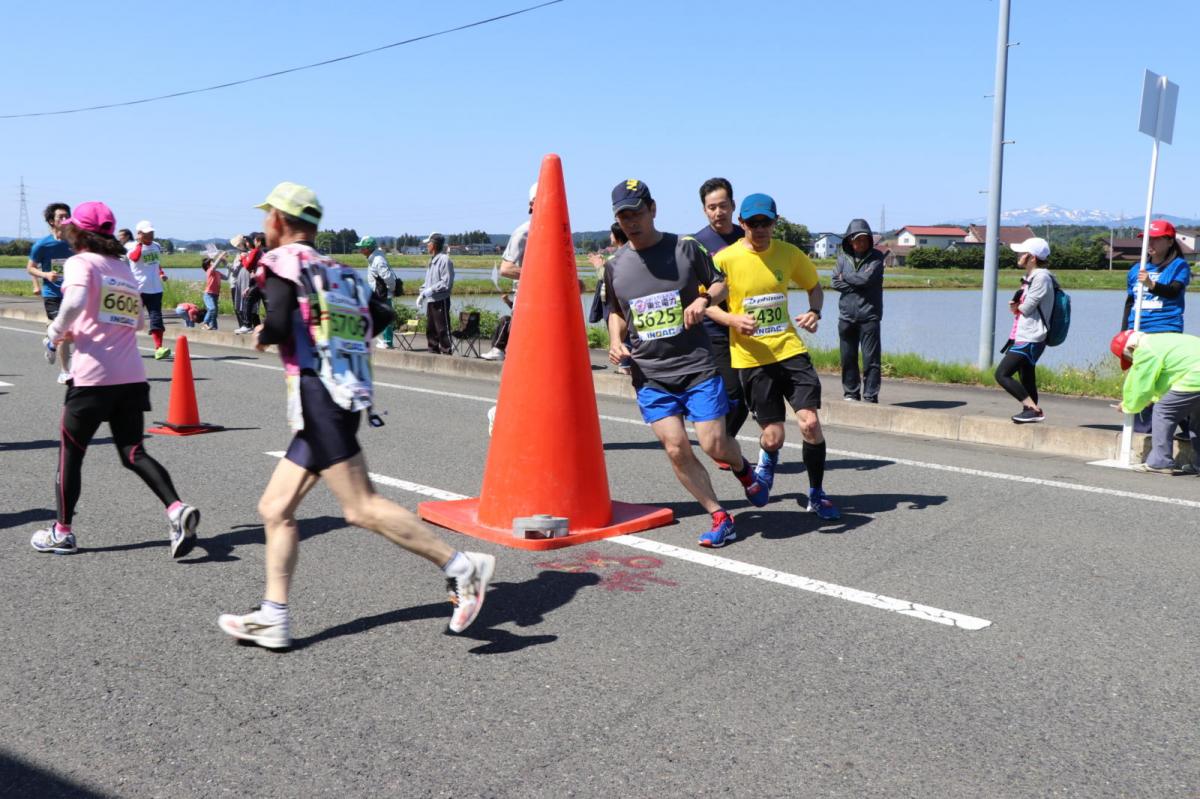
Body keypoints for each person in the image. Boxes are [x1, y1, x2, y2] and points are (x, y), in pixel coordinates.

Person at [217, 182, 494, 649]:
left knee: (361, 507)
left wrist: (265, 333)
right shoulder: (338, 270)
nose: (265, 224)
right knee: (275, 508)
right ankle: (273, 617)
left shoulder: (282, 263)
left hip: (318, 393)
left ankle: (463, 568)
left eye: (268, 216)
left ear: (281, 221)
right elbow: (382, 314)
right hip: (341, 393)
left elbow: (281, 323)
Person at [604, 179, 769, 548]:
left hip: (696, 366)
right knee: (676, 447)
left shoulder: (685, 248)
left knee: (714, 445)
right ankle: (719, 515)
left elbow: (720, 284)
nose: (631, 222)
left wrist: (703, 301)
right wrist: (616, 342)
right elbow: (616, 311)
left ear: (653, 209)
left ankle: (744, 470)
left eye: (637, 213)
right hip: (650, 375)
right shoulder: (615, 266)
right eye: (623, 216)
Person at [30, 201, 200, 557]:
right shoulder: (122, 269)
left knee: (71, 455)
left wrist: (54, 332)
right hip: (131, 377)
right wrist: (83, 329)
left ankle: (62, 532)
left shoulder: (81, 262)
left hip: (92, 378)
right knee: (133, 451)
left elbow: (75, 300)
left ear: (80, 232)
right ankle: (175, 508)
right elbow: (136, 323)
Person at [708, 193, 840, 521]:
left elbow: (814, 287)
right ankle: (766, 464)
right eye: (753, 223)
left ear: (775, 222)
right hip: (751, 359)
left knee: (809, 423)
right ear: (742, 224)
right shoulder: (726, 259)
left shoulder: (789, 253)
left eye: (766, 222)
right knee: (773, 436)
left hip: (789, 350)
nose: (761, 228)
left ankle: (816, 493)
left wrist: (814, 311)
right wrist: (732, 319)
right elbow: (708, 302)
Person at [691, 178, 750, 459]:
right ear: (704, 210)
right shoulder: (697, 244)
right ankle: (723, 446)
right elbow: (698, 298)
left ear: (733, 206)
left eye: (723, 206)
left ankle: (723, 443)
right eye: (711, 207)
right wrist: (729, 319)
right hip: (713, 330)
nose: (718, 212)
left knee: (748, 397)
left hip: (749, 329)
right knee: (733, 393)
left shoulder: (747, 237)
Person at [1122, 219, 1190, 434]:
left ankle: (1187, 425)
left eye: (1156, 239)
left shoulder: (1179, 265)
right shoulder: (1136, 269)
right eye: (1146, 239)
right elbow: (1130, 302)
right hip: (1139, 331)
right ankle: (1143, 427)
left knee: (1164, 382)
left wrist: (1151, 284)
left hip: (1166, 329)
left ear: (1169, 241)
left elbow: (1173, 291)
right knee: (1141, 378)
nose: (1149, 243)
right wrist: (1125, 331)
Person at [1110, 329, 1200, 475]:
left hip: (1196, 376)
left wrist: (1128, 405)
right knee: (1197, 419)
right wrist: (1152, 398)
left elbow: (1141, 385)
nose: (1132, 360)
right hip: (1195, 373)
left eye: (1130, 358)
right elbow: (1169, 377)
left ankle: (1160, 462)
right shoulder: (1159, 340)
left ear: (1131, 348)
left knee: (1163, 412)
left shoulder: (1145, 350)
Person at [995, 237, 1054, 423]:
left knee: (1002, 374)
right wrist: (1017, 307)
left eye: (1022, 253)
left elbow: (1026, 308)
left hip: (1032, 336)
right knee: (1026, 376)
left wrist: (1016, 307)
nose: (1018, 256)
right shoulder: (1031, 277)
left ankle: (1033, 409)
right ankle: (1030, 413)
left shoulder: (1042, 277)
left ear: (1033, 257)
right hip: (1025, 333)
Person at [481, 184, 537, 361]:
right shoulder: (524, 232)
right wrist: (542, 276)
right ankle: (501, 349)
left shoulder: (560, 229)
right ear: (532, 204)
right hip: (528, 297)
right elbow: (506, 269)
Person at [832, 219, 885, 403]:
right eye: (857, 239)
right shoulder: (841, 259)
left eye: (864, 239)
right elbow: (834, 282)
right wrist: (855, 282)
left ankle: (870, 395)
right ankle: (851, 393)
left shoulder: (877, 257)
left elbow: (866, 279)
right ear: (849, 241)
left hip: (869, 316)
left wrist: (846, 277)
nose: (860, 243)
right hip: (846, 317)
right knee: (848, 358)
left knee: (871, 360)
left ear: (870, 240)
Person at [28, 202, 75, 384]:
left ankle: (50, 341)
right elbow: (30, 268)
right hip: (53, 294)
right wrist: (45, 275)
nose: (65, 220)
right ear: (51, 221)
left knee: (72, 334)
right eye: (60, 217)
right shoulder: (42, 245)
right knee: (64, 332)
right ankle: (64, 372)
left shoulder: (75, 242)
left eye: (67, 216)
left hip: (72, 294)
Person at [125, 219, 170, 359]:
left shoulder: (156, 246)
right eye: (146, 233)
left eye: (151, 232)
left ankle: (159, 348)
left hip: (156, 289)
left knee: (156, 319)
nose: (150, 235)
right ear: (139, 234)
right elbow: (134, 257)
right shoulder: (132, 246)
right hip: (138, 289)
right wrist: (139, 244)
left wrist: (161, 273)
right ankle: (124, 346)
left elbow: (156, 263)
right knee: (131, 319)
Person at [417, 232, 455, 355]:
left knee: (442, 328)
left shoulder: (444, 260)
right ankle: (432, 351)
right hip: (431, 300)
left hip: (441, 300)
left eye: (428, 243)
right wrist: (422, 293)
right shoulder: (432, 260)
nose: (427, 245)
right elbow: (428, 282)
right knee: (431, 329)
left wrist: (430, 290)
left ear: (434, 245)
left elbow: (446, 282)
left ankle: (447, 351)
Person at [357, 236, 396, 349]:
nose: (360, 250)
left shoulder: (378, 260)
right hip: (378, 293)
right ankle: (384, 340)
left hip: (383, 294)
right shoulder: (373, 258)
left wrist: (391, 288)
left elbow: (388, 277)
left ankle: (388, 342)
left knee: (386, 316)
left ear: (368, 248)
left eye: (362, 248)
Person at [229, 234, 251, 332]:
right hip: (241, 282)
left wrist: (225, 263)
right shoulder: (246, 253)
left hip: (236, 283)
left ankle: (243, 325)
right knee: (242, 305)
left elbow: (234, 270)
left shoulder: (241, 255)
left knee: (238, 306)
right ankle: (245, 325)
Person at [201, 253, 227, 330]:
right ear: (208, 266)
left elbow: (226, 277)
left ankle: (214, 327)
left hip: (215, 294)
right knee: (212, 309)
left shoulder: (217, 272)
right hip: (208, 294)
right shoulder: (209, 271)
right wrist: (220, 256)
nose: (213, 263)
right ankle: (205, 323)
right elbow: (215, 265)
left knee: (214, 313)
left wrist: (228, 267)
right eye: (211, 262)